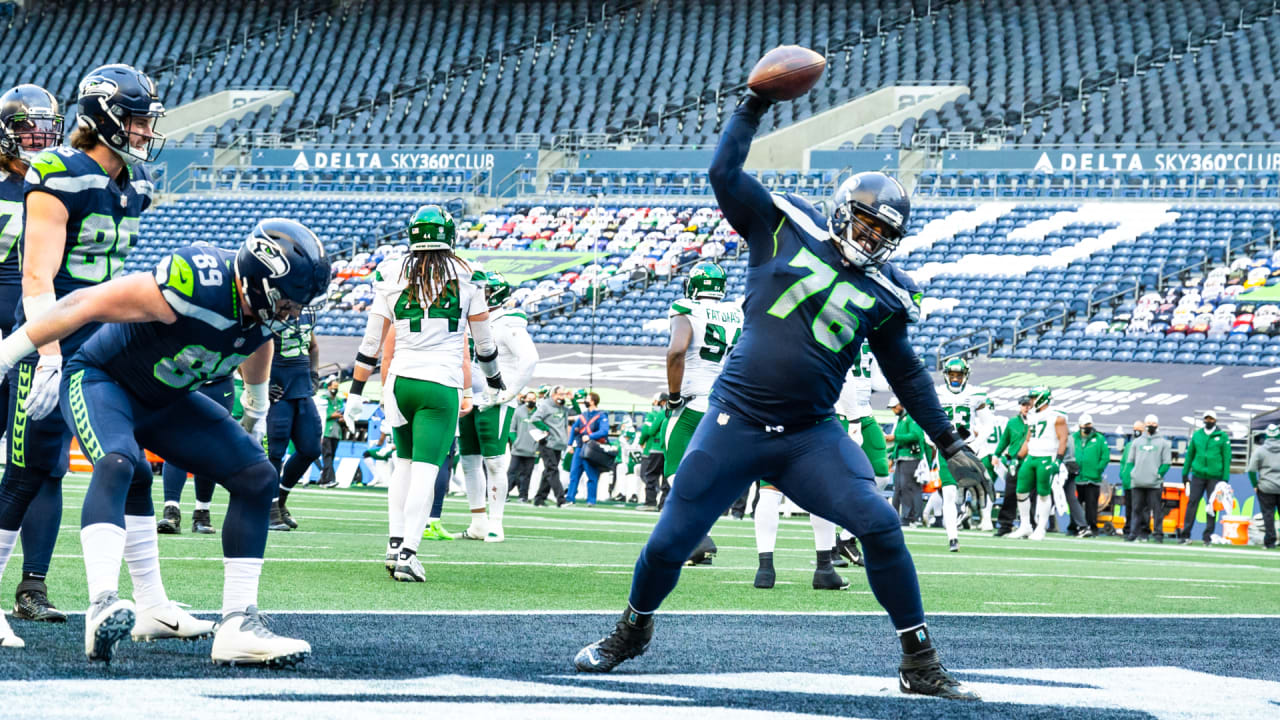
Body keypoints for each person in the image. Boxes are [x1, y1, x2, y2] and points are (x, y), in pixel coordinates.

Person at [572, 83, 981, 701]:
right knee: (667, 545)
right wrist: (754, 103)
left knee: (879, 524)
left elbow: (905, 372)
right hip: (734, 423)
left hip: (809, 438)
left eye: (881, 233)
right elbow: (722, 170)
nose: (868, 239)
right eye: (864, 224)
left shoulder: (890, 291)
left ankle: (918, 661)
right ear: (844, 210)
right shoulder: (785, 224)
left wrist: (949, 440)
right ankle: (633, 628)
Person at [0, 218, 327, 664]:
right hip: (101, 378)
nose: (291, 313)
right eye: (287, 302)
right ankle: (101, 604)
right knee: (119, 463)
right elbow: (84, 301)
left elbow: (259, 341)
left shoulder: (264, 311)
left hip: (165, 396)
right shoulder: (198, 279)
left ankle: (236, 624)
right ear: (255, 279)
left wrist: (255, 406)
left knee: (256, 476)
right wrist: (10, 354)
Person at [0, 67, 159, 629]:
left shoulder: (131, 185)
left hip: (91, 341)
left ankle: (45, 588)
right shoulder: (54, 174)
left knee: (70, 466)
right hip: (38, 335)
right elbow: (36, 277)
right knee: (24, 468)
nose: (144, 132)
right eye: (136, 121)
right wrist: (43, 350)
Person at [342, 204, 503, 583]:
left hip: (399, 381)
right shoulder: (469, 276)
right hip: (439, 381)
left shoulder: (389, 272)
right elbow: (484, 344)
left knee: (404, 465)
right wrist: (494, 381)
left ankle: (394, 542)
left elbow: (372, 341)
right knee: (426, 472)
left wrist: (355, 391)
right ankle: (408, 554)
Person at [0, 81, 62, 648]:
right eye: (29, 130)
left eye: (48, 129)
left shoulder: (63, 186)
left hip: (35, 336)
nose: (40, 140)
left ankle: (32, 587)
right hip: (10, 328)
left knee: (42, 464)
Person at [455, 271, 535, 541]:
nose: (478, 295)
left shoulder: (508, 321)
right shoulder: (470, 320)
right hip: (468, 396)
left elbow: (529, 358)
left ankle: (496, 522)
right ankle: (478, 521)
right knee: (468, 461)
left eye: (484, 291)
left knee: (494, 463)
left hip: (494, 400)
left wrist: (511, 391)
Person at [832, 341, 890, 563]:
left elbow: (874, 380)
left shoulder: (869, 340)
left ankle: (846, 537)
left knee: (881, 476)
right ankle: (826, 548)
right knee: (833, 481)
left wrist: (897, 382)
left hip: (866, 413)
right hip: (840, 414)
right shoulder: (839, 330)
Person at [265, 307, 322, 530]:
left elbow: (313, 346)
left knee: (311, 449)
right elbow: (246, 351)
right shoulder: (268, 315)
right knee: (275, 453)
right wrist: (261, 384)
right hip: (278, 391)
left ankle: (280, 499)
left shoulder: (308, 313)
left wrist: (314, 374)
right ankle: (269, 510)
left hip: (302, 389)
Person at [158, 376, 234, 535]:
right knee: (175, 444)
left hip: (219, 384)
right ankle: (171, 511)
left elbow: (250, 356)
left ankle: (202, 514)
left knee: (210, 448)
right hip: (184, 380)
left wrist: (255, 390)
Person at [934, 357, 991, 551]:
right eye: (952, 374)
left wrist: (976, 443)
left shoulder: (976, 394)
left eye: (959, 374)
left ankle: (966, 514)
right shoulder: (937, 393)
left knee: (962, 494)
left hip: (966, 448)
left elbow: (988, 424)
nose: (955, 378)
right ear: (946, 375)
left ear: (966, 375)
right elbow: (927, 419)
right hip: (945, 449)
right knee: (949, 493)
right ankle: (953, 537)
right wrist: (931, 440)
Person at [1008, 387, 1068, 541]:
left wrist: (1059, 460)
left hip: (1047, 456)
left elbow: (1063, 439)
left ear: (1042, 398)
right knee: (1021, 491)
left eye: (1034, 398)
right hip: (1031, 457)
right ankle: (1025, 525)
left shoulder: (1057, 416)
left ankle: (1041, 527)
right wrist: (1017, 458)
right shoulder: (1032, 416)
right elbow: (1028, 440)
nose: (1031, 401)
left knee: (1043, 492)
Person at [1179, 409, 1231, 545]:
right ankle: (1185, 534)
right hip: (1198, 475)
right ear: (1203, 420)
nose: (1209, 421)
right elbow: (1189, 455)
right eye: (1207, 419)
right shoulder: (1197, 435)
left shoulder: (1222, 436)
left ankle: (1207, 536)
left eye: (1211, 419)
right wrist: (1185, 473)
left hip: (1215, 476)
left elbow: (1227, 458)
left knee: (1212, 506)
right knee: (1192, 504)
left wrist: (1225, 478)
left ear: (1215, 420)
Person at [1124, 414, 1172, 542]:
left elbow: (1166, 463)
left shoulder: (1163, 443)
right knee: (1136, 509)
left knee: (1156, 510)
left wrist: (1159, 475)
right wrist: (1132, 474)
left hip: (1154, 483)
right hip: (1138, 482)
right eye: (1148, 423)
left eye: (1153, 423)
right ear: (1145, 425)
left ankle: (1158, 534)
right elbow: (1130, 462)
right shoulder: (1136, 442)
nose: (1151, 425)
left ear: (1157, 425)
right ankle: (1133, 533)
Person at [993, 395, 1032, 536]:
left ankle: (1030, 524)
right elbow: (1005, 440)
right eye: (1024, 405)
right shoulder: (1012, 422)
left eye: (1029, 405)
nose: (1027, 407)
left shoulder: (1038, 421)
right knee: (1010, 493)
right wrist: (996, 454)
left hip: (1032, 460)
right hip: (1015, 461)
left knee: (1031, 494)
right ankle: (1005, 525)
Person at [886, 396, 925, 526]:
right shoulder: (901, 420)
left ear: (901, 405)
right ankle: (899, 516)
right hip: (901, 458)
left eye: (894, 407)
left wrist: (895, 437)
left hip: (911, 457)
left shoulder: (911, 418)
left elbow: (916, 435)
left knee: (910, 487)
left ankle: (913, 517)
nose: (893, 410)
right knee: (899, 488)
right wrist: (892, 457)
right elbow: (898, 442)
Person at [1071, 413, 1110, 537]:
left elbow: (1105, 457)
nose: (1088, 426)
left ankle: (1092, 528)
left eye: (1089, 424)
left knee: (1091, 506)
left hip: (1092, 478)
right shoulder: (1073, 438)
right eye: (1086, 424)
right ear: (1080, 425)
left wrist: (1097, 470)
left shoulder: (1099, 438)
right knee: (1074, 504)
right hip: (1076, 477)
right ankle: (1074, 527)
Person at [531, 385, 571, 507]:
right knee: (553, 469)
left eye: (564, 394)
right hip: (547, 442)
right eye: (560, 394)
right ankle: (561, 499)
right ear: (553, 395)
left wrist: (572, 399)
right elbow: (535, 419)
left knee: (548, 471)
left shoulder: (563, 408)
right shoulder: (545, 405)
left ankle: (539, 498)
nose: (562, 397)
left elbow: (573, 416)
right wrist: (545, 429)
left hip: (559, 443)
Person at [567, 392, 609, 505]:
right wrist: (570, 444)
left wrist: (590, 436)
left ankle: (591, 500)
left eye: (587, 399)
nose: (586, 401)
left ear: (593, 401)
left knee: (591, 475)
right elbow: (574, 429)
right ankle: (570, 498)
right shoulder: (582, 415)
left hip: (591, 449)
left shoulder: (601, 415)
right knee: (574, 474)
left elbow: (604, 431)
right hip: (579, 447)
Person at [1247, 424, 1280, 549]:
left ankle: (1270, 542)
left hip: (1266, 487)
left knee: (1268, 515)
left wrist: (1255, 485)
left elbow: (1251, 470)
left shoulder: (1260, 450)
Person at [506, 391, 540, 502]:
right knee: (511, 472)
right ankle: (504, 494)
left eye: (533, 399)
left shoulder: (539, 413)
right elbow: (511, 429)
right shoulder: (518, 411)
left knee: (527, 474)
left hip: (532, 450)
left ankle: (523, 496)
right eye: (529, 398)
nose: (531, 401)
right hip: (517, 449)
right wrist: (516, 442)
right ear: (525, 399)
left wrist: (538, 445)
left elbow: (543, 430)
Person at [636, 392, 667, 510]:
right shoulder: (678, 414)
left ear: (662, 402)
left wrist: (641, 442)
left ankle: (650, 502)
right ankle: (664, 505)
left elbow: (650, 431)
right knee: (666, 477)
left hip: (656, 448)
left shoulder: (661, 413)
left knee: (651, 475)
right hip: (669, 450)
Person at [1117, 420, 1146, 532]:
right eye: (1135, 430)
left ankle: (1139, 529)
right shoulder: (1129, 445)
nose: (1136, 432)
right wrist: (1123, 474)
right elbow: (1123, 462)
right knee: (1129, 507)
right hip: (1128, 481)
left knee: (1139, 507)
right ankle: (1128, 528)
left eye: (1139, 430)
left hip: (1138, 482)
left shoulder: (1144, 446)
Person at [318, 378, 343, 488]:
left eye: (336, 388)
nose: (335, 390)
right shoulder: (323, 399)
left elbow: (341, 414)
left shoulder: (339, 400)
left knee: (331, 457)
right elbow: (324, 415)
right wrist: (335, 415)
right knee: (327, 456)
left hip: (336, 432)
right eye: (333, 388)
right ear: (328, 387)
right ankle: (330, 479)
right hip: (326, 431)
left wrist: (342, 418)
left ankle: (323, 479)